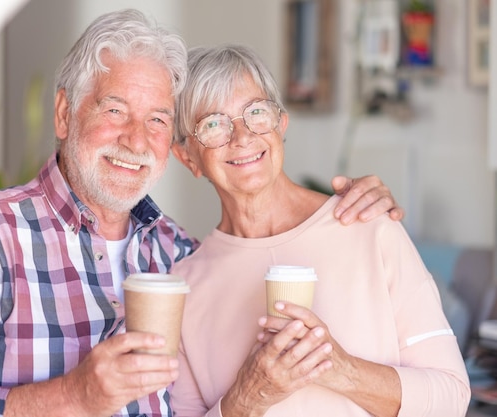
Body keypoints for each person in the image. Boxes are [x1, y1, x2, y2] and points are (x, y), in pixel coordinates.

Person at [0, 9, 403, 417]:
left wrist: (348, 212)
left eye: (157, 118)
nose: (136, 139)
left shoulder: (179, 254)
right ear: (65, 114)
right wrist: (73, 399)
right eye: (114, 110)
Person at [169, 44, 470, 417]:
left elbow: (452, 399)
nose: (242, 137)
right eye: (213, 124)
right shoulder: (182, 289)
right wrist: (248, 398)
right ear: (187, 158)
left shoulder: (369, 226)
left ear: (281, 124)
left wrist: (338, 368)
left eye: (256, 113)